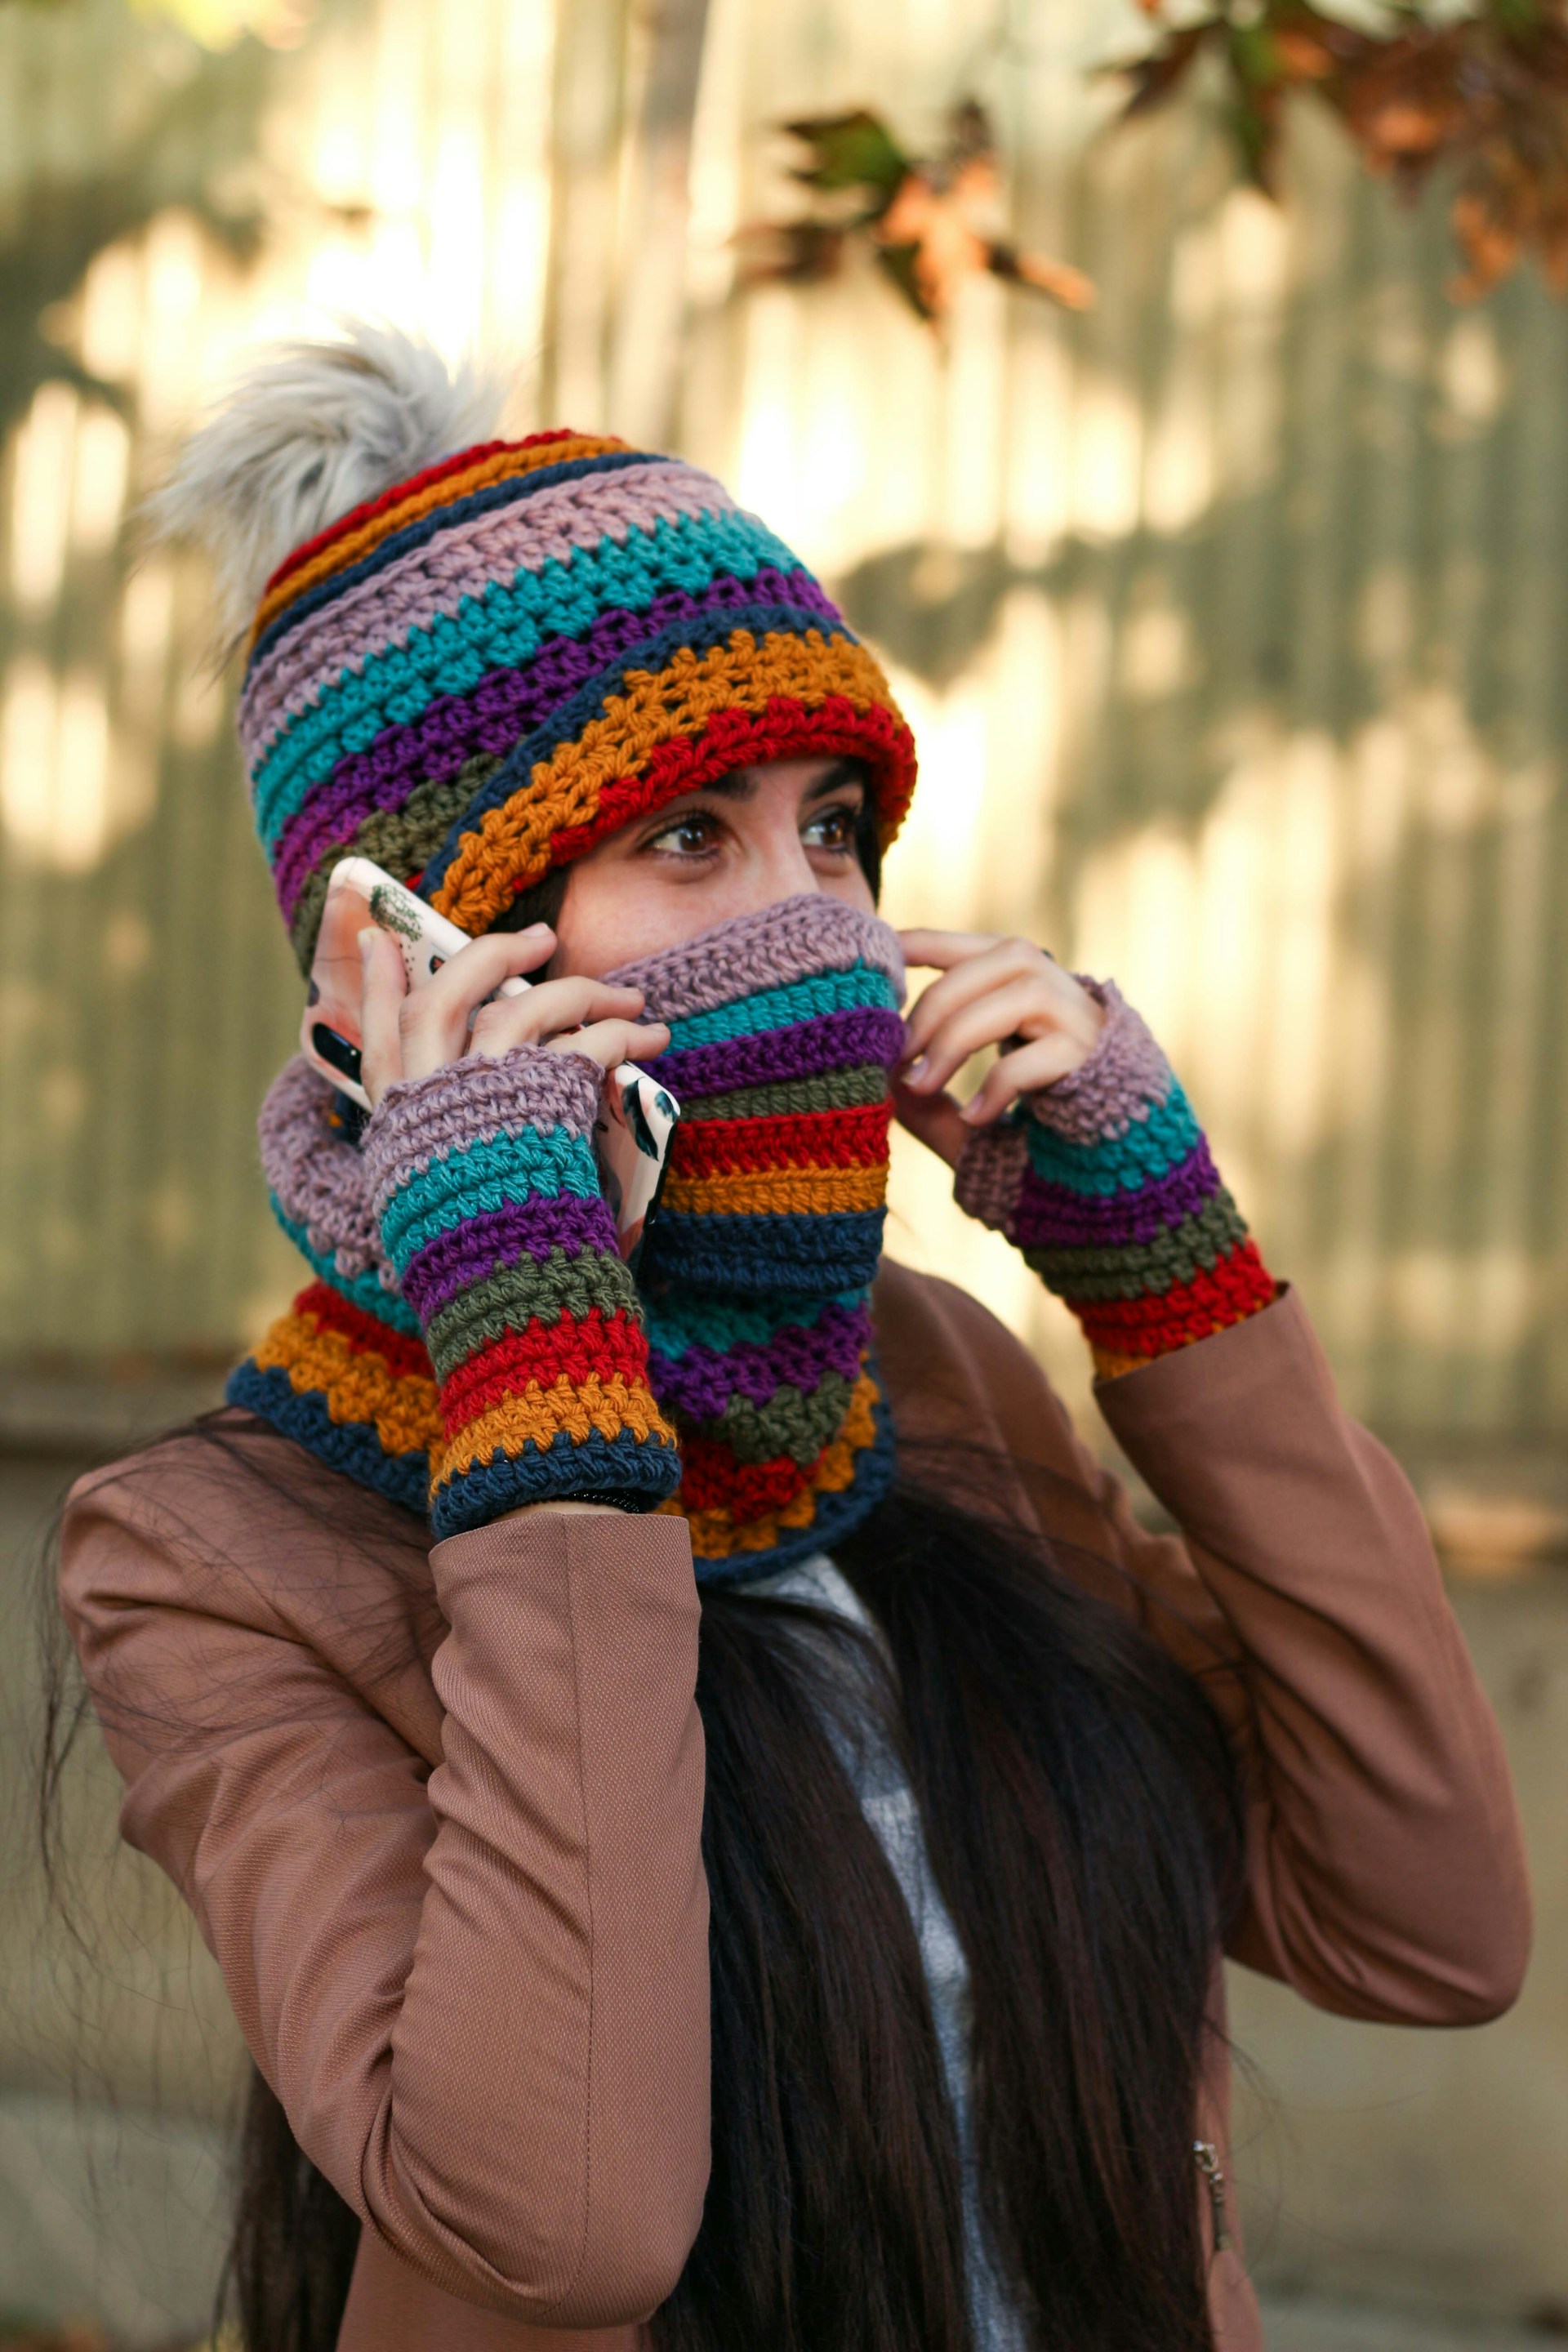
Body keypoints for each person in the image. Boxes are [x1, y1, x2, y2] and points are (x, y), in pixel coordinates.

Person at [58, 323, 1529, 2352]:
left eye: (835, 827)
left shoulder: (932, 1383)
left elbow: (1426, 1931)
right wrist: (537, 1356)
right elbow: (564, 2225)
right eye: (687, 836)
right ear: (406, 959)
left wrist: (1171, 1278)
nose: (823, 921)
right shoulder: (214, 1555)